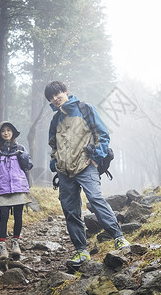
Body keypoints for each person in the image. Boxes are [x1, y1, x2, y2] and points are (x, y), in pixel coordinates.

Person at [44, 81, 130, 269]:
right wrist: (54, 163)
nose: (55, 99)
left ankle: (118, 237)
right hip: (65, 172)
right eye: (51, 97)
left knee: (96, 199)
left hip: (86, 166)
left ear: (65, 92)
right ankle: (81, 250)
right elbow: (53, 145)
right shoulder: (55, 120)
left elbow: (103, 134)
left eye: (57, 94)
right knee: (70, 210)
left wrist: (96, 158)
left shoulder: (85, 109)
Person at [0, 121, 33, 260]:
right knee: (3, 216)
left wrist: (23, 156)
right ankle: (1, 245)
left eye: (8, 130)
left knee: (18, 215)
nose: (6, 133)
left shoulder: (20, 148)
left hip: (19, 186)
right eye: (3, 131)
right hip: (3, 187)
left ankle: (15, 243)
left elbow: (28, 166)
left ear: (13, 132)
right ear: (0, 134)